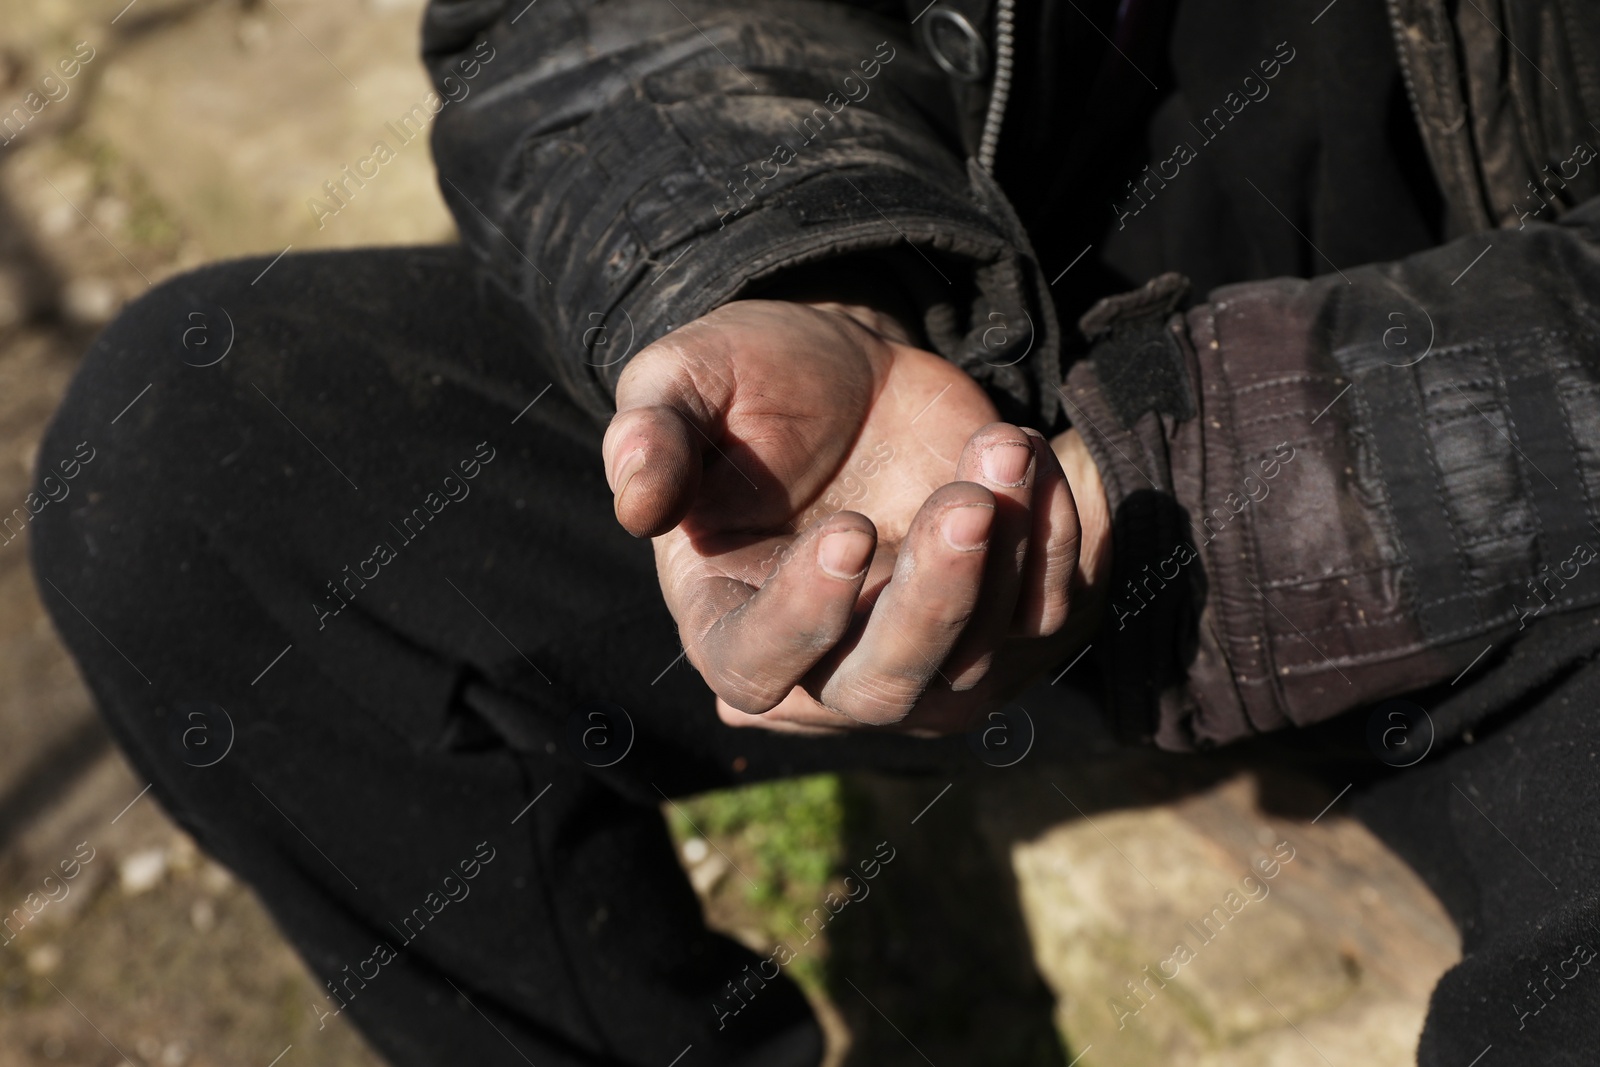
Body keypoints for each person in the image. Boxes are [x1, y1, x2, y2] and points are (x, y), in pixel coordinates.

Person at [28, 0, 1600, 1062]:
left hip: (1544, 540)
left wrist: (1200, 466)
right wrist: (772, 267)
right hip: (970, 390)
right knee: (193, 465)